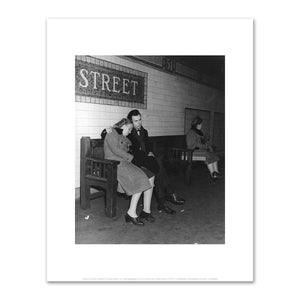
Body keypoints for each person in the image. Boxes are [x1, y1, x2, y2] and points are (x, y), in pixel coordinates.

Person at [127, 109, 186, 215]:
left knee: (157, 167)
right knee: (158, 166)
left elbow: (149, 146)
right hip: (137, 161)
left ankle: (163, 201)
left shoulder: (145, 132)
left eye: (140, 119)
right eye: (136, 121)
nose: (139, 122)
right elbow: (134, 152)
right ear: (131, 122)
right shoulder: (128, 133)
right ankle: (168, 195)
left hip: (147, 159)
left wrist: (150, 153)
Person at [103, 118, 155, 226]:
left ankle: (146, 211)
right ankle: (131, 213)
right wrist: (132, 158)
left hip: (124, 163)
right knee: (140, 178)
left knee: (150, 176)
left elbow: (129, 144)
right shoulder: (111, 133)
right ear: (124, 126)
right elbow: (116, 150)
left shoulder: (121, 135)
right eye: (129, 128)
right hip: (114, 165)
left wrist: (124, 134)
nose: (130, 131)